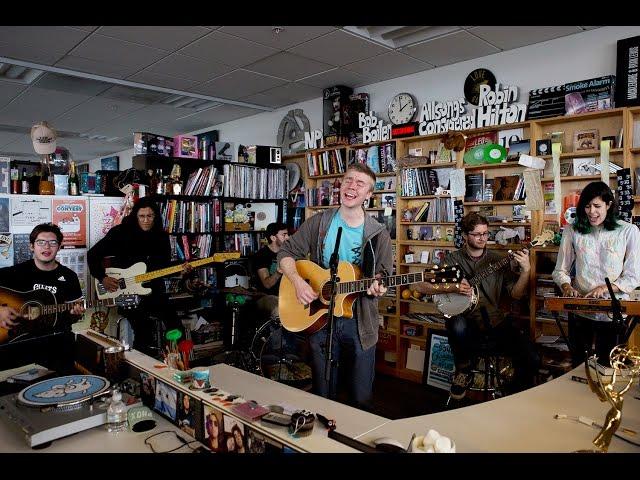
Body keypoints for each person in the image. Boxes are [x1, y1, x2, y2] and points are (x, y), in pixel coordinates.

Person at [278, 163, 393, 409]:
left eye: (360, 184)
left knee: (360, 396)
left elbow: (384, 276)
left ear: (369, 195)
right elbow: (286, 253)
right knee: (322, 391)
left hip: (359, 321)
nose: (352, 186)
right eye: (349, 180)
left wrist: (379, 286)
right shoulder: (319, 223)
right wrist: (298, 282)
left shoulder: (379, 234)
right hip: (320, 316)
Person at [415, 212, 539, 400]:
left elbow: (516, 294)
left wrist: (525, 271)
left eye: (485, 234)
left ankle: (513, 395)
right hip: (465, 322)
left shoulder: (497, 260)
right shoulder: (452, 260)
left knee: (532, 357)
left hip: (495, 321)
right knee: (456, 324)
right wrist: (454, 286)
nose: (483, 238)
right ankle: (463, 370)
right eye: (477, 234)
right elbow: (420, 285)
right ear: (465, 236)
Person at [552, 181, 640, 366]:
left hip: (613, 310)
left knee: (608, 366)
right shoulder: (572, 230)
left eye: (597, 206)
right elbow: (560, 270)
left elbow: (634, 276)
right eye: (587, 206)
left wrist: (606, 288)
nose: (591, 211)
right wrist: (567, 286)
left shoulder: (628, 231)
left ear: (609, 205)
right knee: (578, 364)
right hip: (581, 308)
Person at [87, 196, 187, 357]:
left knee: (176, 326)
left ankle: (177, 362)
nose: (146, 220)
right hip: (128, 293)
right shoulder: (120, 233)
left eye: (150, 216)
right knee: (144, 331)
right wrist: (102, 278)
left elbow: (163, 268)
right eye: (142, 216)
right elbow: (92, 255)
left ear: (156, 217)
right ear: (135, 216)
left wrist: (180, 270)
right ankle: (144, 372)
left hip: (155, 291)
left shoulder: (161, 237)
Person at [0, 223, 85, 372]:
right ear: (32, 246)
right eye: (41, 242)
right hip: (19, 343)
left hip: (57, 343)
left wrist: (76, 314)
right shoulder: (15, 273)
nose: (47, 247)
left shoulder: (69, 276)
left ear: (59, 247)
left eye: (52, 243)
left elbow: (75, 314)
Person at [253, 222, 289, 320]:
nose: (287, 237)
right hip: (265, 296)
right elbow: (267, 284)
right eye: (284, 235)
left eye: (287, 234)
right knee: (280, 308)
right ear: (273, 238)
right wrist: (279, 272)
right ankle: (278, 335)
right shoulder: (261, 256)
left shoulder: (288, 253)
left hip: (287, 295)